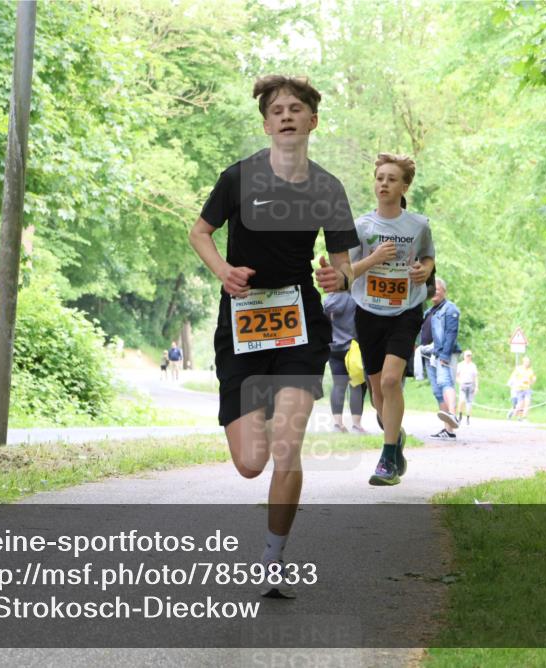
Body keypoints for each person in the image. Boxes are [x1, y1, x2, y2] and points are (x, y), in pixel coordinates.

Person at [188, 75, 358, 596]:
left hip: (298, 320)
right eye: (277, 109)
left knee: (287, 450)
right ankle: (254, 410)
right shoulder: (238, 179)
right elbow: (200, 233)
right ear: (266, 124)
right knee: (250, 463)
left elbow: (344, 263)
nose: (286, 115)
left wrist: (339, 276)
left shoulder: (328, 188)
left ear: (312, 121)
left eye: (296, 109)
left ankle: (272, 559)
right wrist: (223, 271)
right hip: (241, 322)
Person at [325, 152, 435, 486]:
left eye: (391, 179)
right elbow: (346, 275)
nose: (384, 183)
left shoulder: (419, 225)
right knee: (377, 395)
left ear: (404, 186)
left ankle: (387, 458)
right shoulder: (362, 226)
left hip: (405, 310)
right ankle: (395, 435)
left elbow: (429, 260)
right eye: (379, 178)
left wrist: (422, 270)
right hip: (369, 311)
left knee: (390, 381)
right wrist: (373, 258)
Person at [420, 278, 461, 439]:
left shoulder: (450, 309)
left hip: (444, 353)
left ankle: (452, 414)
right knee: (438, 392)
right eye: (432, 289)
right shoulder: (430, 311)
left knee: (445, 383)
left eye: (437, 288)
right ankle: (448, 430)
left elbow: (451, 333)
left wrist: (444, 354)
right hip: (429, 354)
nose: (435, 291)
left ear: (444, 290)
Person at [323, 291, 366, 433]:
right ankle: (356, 425)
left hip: (334, 347)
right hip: (352, 347)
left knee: (338, 385)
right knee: (357, 384)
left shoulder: (328, 299)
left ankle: (337, 424)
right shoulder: (355, 297)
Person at [456, 350, 478, 425]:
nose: (469, 357)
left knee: (469, 402)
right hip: (463, 385)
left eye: (470, 356)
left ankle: (468, 418)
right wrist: (460, 382)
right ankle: (460, 415)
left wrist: (476, 387)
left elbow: (475, 377)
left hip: (471, 385)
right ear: (464, 356)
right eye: (467, 356)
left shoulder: (473, 365)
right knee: (461, 400)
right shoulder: (460, 365)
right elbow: (457, 376)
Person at [511, 356, 536, 420]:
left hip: (527, 389)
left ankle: (524, 417)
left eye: (528, 362)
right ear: (523, 362)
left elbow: (533, 378)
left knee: (527, 403)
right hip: (519, 389)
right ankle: (514, 413)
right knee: (520, 404)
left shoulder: (530, 370)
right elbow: (513, 376)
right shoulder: (519, 369)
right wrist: (516, 383)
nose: (527, 363)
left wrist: (532, 381)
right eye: (526, 362)